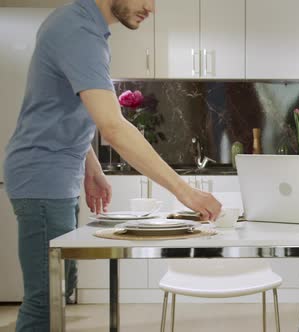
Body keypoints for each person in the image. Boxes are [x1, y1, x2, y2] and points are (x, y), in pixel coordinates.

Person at [3, 1, 221, 330]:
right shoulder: (78, 31)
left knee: (59, 290)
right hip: (43, 175)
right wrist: (186, 192)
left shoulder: (80, 25)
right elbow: (114, 127)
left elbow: (67, 106)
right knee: (46, 300)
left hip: (53, 174)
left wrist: (91, 167)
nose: (152, 7)